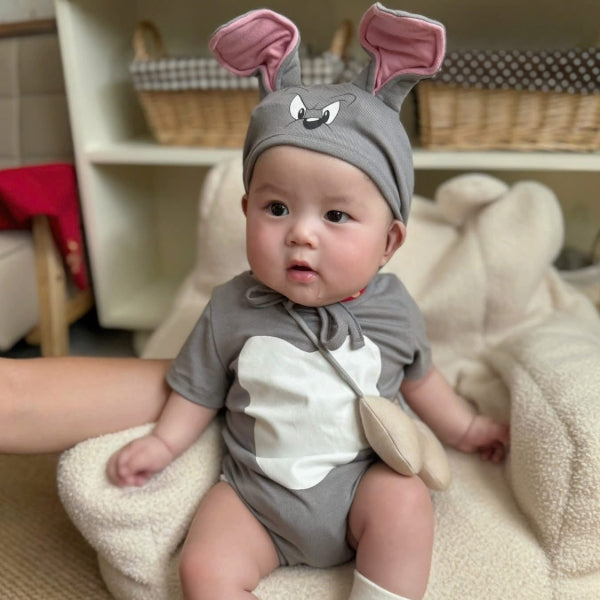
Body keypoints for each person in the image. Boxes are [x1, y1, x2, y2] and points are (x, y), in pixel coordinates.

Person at [103, 6, 509, 600]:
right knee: (203, 566)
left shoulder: (393, 310)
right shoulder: (232, 307)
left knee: (405, 502)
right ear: (246, 211)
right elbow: (197, 389)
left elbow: (421, 379)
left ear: (389, 242)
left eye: (337, 215)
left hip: (358, 488)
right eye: (277, 208)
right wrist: (162, 444)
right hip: (256, 498)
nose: (301, 234)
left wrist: (467, 428)